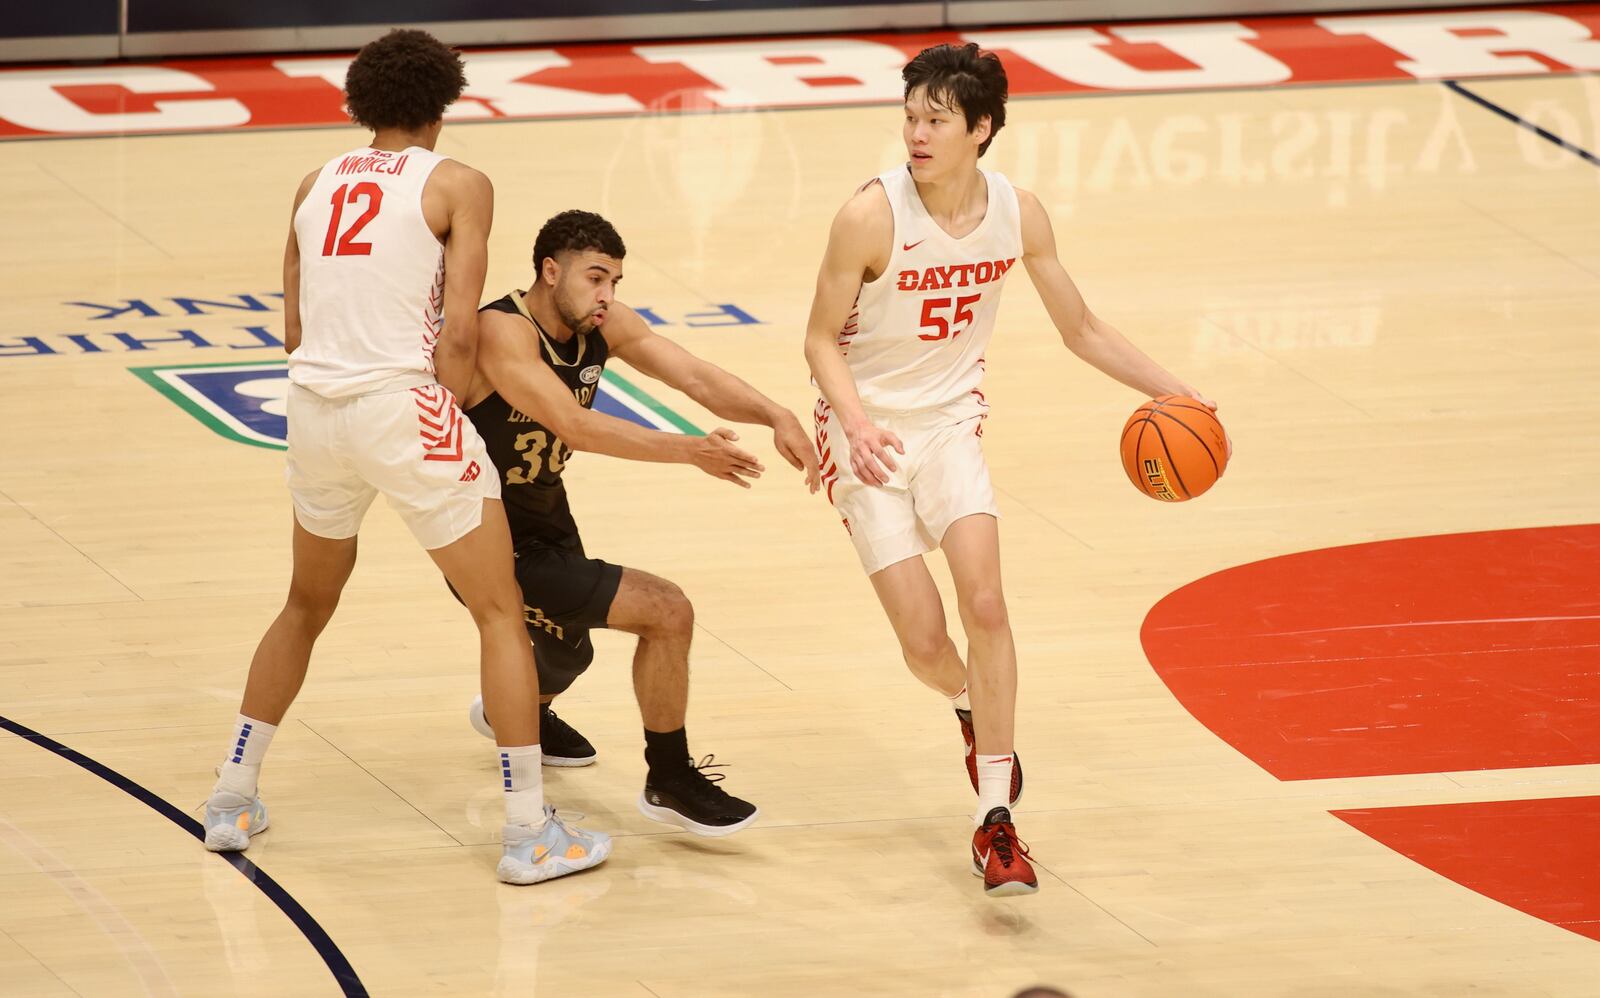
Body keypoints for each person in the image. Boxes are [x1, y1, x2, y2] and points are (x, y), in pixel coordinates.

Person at [802, 43, 1223, 896]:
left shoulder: (1017, 213)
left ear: (981, 128)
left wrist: (1179, 392)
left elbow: (1083, 328)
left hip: (953, 424)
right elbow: (817, 339)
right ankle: (967, 702)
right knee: (925, 645)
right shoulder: (868, 216)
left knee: (987, 603)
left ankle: (997, 822)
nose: (916, 134)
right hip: (866, 433)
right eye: (910, 116)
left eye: (936, 120)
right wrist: (851, 421)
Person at [199, 29, 609, 886]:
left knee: (306, 603)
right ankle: (529, 830)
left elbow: (294, 325)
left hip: (313, 408)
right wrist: (442, 412)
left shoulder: (315, 184)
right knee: (499, 612)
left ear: (360, 102)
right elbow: (460, 324)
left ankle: (232, 797)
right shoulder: (459, 182)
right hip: (401, 405)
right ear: (444, 101)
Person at [457, 209, 820, 836]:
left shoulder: (604, 325)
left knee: (571, 653)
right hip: (483, 535)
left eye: (616, 282)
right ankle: (669, 777)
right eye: (596, 279)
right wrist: (690, 450)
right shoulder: (501, 333)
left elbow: (694, 375)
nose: (608, 296)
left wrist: (775, 412)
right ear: (550, 271)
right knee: (667, 610)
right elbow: (575, 426)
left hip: (546, 515)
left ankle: (514, 708)